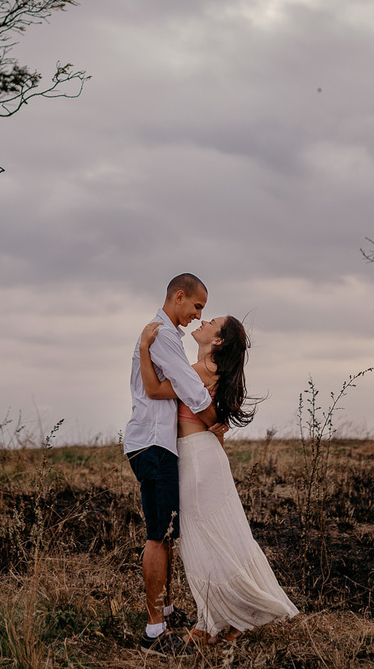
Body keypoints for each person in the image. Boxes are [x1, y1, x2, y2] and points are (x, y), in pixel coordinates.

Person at [139, 312, 299, 645]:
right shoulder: (219, 374)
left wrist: (143, 347)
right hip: (207, 456)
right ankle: (233, 618)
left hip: (195, 457)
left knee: (203, 543)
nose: (204, 321)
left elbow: (153, 390)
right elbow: (216, 428)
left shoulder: (198, 372)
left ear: (218, 341)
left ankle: (208, 622)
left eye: (211, 322)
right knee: (224, 536)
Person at [124, 273, 219, 656]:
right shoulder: (161, 335)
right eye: (196, 306)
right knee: (157, 533)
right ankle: (154, 631)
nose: (198, 316)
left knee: (166, 532)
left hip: (157, 443)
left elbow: (164, 387)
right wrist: (215, 421)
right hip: (152, 443)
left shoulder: (162, 335)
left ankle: (164, 610)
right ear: (178, 296)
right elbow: (188, 386)